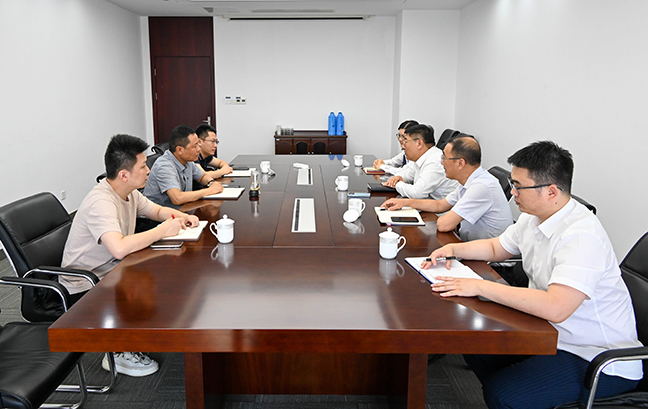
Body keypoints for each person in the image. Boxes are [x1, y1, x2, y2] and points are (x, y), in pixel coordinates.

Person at [423, 141, 642, 408]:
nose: (512, 192)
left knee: (503, 395)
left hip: (595, 356)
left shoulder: (582, 236)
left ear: (551, 191)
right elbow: (496, 248)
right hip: (548, 332)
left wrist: (479, 286)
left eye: (518, 186)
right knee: (477, 348)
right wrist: (453, 249)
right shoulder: (534, 215)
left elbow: (556, 308)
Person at [61, 134, 201, 377]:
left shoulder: (129, 192)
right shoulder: (101, 202)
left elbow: (156, 210)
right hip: (85, 284)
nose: (149, 170)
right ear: (124, 174)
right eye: (143, 166)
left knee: (170, 273)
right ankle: (117, 353)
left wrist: (181, 217)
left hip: (112, 268)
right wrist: (161, 231)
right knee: (159, 277)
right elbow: (118, 248)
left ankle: (140, 332)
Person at [380, 136, 513, 241]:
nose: (442, 162)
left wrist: (450, 220)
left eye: (445, 158)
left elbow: (444, 225)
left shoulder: (481, 187)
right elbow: (440, 205)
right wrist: (405, 202)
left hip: (489, 262)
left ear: (460, 163)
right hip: (471, 246)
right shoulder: (469, 181)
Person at [143, 125, 224, 208]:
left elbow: (202, 176)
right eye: (195, 146)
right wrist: (209, 190)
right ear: (180, 150)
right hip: (159, 214)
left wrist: (211, 182)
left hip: (182, 209)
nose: (199, 149)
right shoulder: (164, 166)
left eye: (198, 145)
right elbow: (177, 198)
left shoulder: (187, 160)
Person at [381, 124, 459, 200]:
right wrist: (399, 177)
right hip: (428, 203)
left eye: (405, 142)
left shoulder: (435, 162)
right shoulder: (422, 157)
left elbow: (417, 193)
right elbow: (408, 173)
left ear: (419, 143)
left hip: (441, 208)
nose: (403, 146)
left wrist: (397, 184)